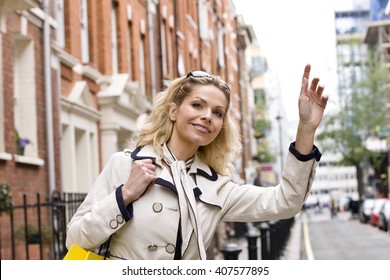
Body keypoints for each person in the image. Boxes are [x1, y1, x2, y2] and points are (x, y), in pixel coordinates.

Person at [66, 64, 328, 260]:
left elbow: (286, 202)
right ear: (173, 110)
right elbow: (75, 238)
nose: (207, 117)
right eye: (197, 105)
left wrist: (305, 128)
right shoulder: (123, 166)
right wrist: (123, 196)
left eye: (217, 113)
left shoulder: (216, 187)